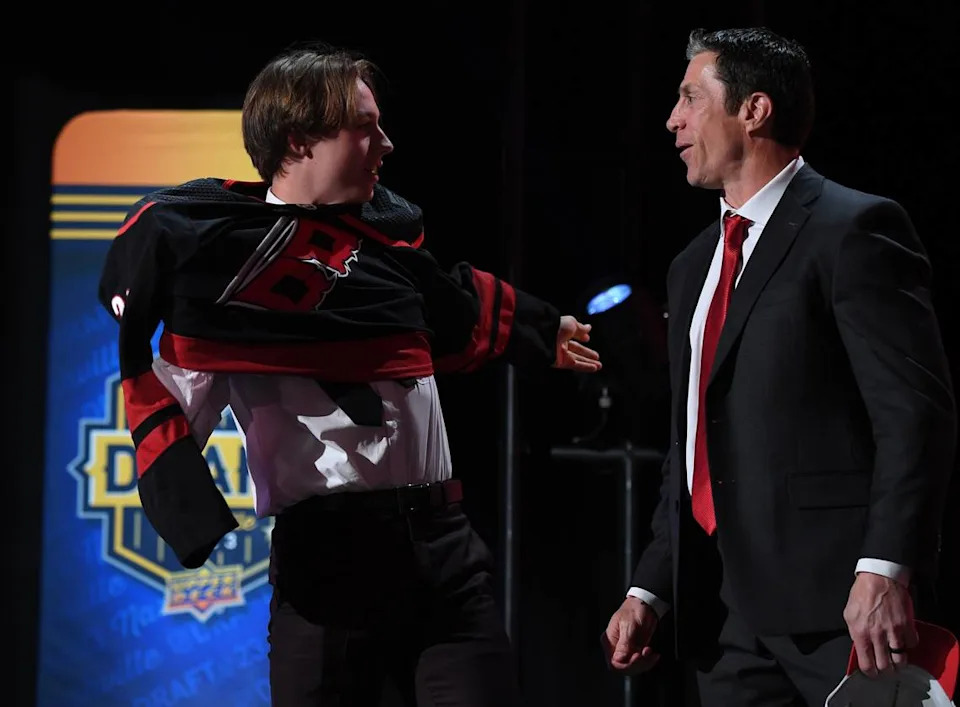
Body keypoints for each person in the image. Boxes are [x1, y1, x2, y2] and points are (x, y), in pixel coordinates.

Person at [98, 43, 601, 707]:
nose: (387, 144)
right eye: (365, 127)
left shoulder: (389, 245)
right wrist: (184, 501)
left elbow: (454, 305)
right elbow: (171, 404)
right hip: (327, 571)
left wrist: (540, 330)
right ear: (300, 140)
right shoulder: (220, 280)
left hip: (443, 551)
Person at [601, 27, 956, 706]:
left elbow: (914, 414)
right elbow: (693, 447)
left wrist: (885, 568)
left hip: (843, 610)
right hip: (724, 619)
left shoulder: (854, 229)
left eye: (689, 98)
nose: (673, 119)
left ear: (754, 109)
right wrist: (652, 584)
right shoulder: (690, 265)